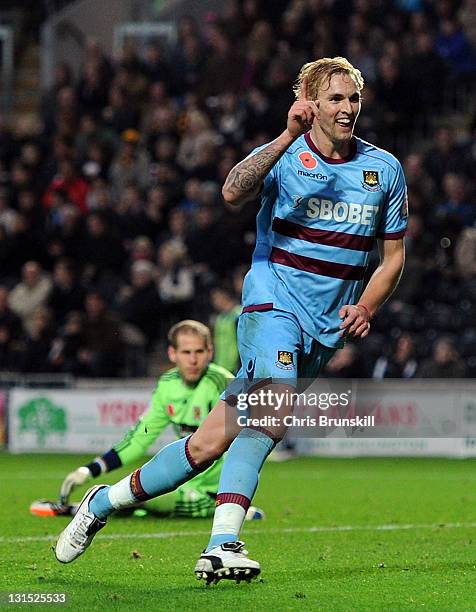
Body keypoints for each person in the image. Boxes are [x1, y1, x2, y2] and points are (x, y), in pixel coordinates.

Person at [55, 57, 407, 584]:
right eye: (335, 98)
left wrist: (366, 306)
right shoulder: (286, 156)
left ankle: (102, 502)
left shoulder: (384, 169)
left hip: (326, 326)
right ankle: (223, 545)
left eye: (353, 97)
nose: (347, 108)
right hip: (273, 302)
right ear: (309, 102)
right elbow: (232, 190)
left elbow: (394, 256)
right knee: (272, 411)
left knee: (206, 444)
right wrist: (286, 136)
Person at [52, 320, 236, 519]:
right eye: (186, 352)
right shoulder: (167, 385)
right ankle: (94, 507)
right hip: (182, 483)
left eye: (199, 352)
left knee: (138, 496)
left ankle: (83, 508)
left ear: (209, 352)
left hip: (212, 493)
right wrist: (90, 470)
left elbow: (245, 439)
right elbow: (140, 437)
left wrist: (235, 498)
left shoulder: (223, 383)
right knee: (137, 489)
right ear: (172, 353)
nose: (193, 360)